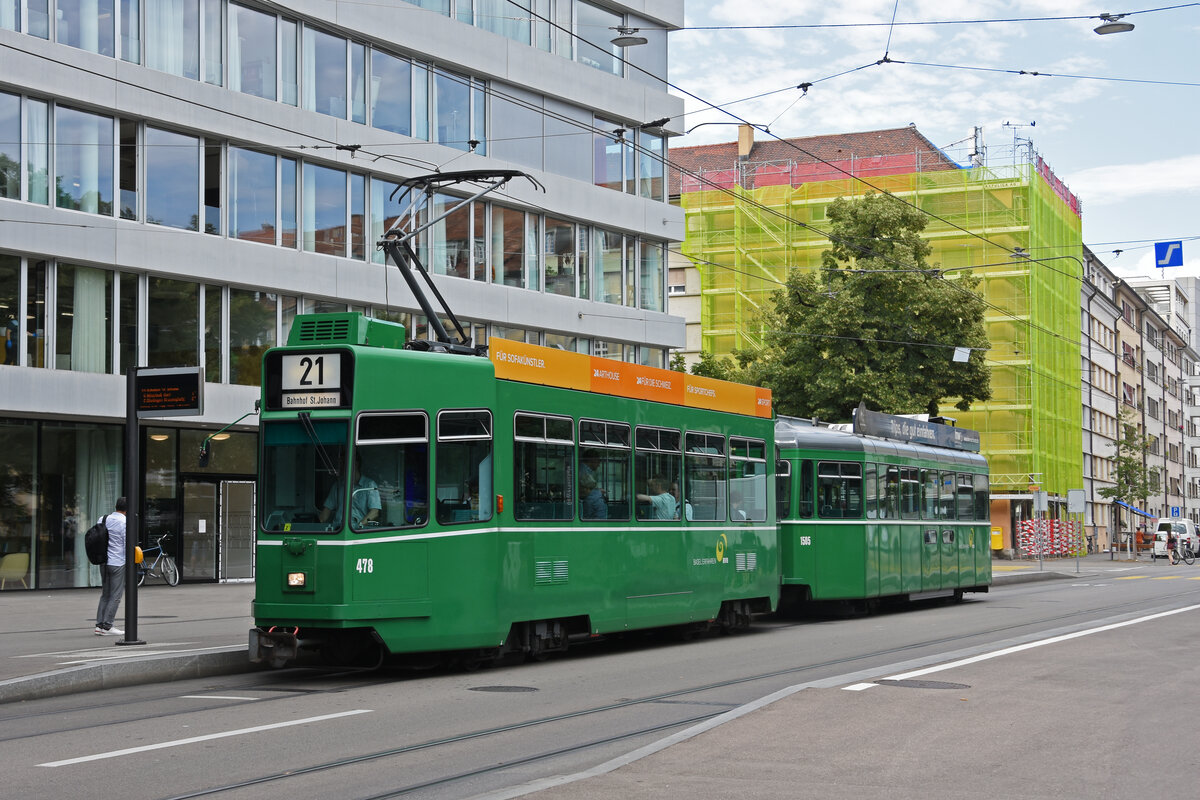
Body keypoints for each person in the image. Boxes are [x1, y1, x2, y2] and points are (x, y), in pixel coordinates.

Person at [319, 453, 382, 528]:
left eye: (343, 464)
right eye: (340, 464)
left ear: (355, 464)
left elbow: (374, 512)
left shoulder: (369, 485)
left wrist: (359, 526)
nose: (340, 467)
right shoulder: (338, 485)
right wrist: (317, 524)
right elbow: (326, 510)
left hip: (357, 530)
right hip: (338, 529)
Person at [94, 497, 127, 636]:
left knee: (105, 594)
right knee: (116, 595)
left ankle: (99, 626)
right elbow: (127, 544)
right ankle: (108, 626)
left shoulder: (103, 519)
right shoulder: (124, 522)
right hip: (118, 562)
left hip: (103, 561)